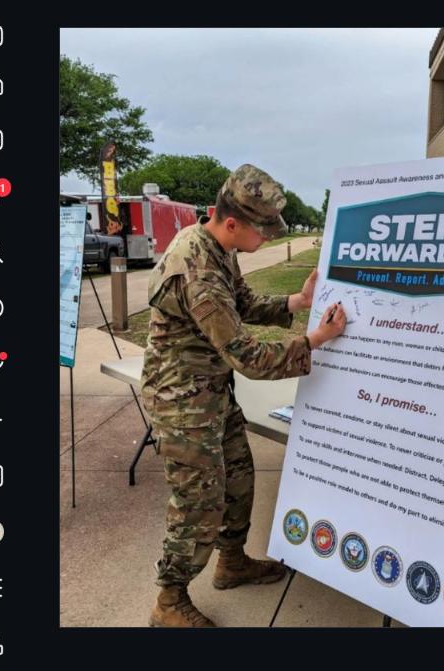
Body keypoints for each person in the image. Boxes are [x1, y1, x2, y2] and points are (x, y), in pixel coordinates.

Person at [141, 164, 348, 627]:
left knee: (238, 477)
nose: (270, 238)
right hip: (181, 402)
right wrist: (315, 340)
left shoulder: (217, 246)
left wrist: (294, 302)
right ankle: (169, 600)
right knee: (198, 501)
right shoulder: (196, 270)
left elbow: (243, 301)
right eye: (265, 230)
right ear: (232, 221)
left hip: (209, 390)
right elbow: (247, 355)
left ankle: (230, 563)